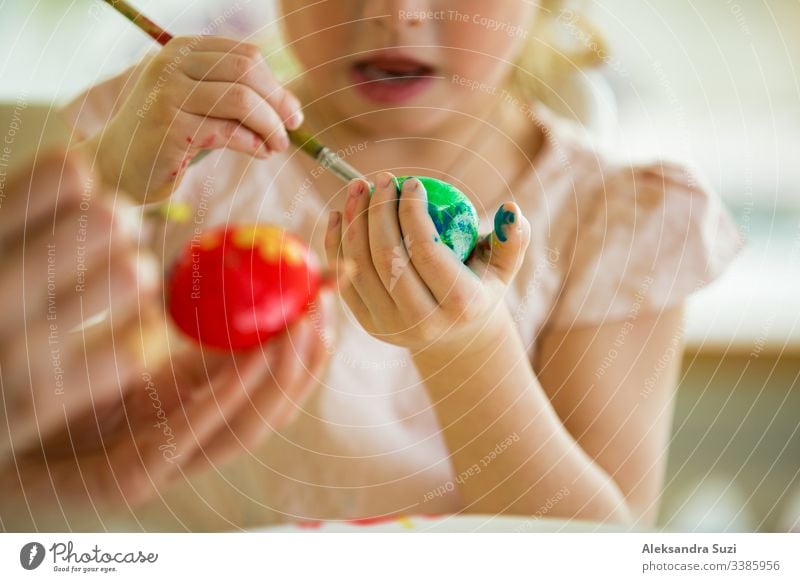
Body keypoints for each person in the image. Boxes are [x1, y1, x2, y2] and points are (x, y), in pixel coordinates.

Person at [9, 0, 743, 531]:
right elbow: (38, 438)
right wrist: (110, 183)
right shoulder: (173, 145)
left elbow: (599, 550)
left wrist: (467, 351)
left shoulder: (616, 221)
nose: (395, 10)